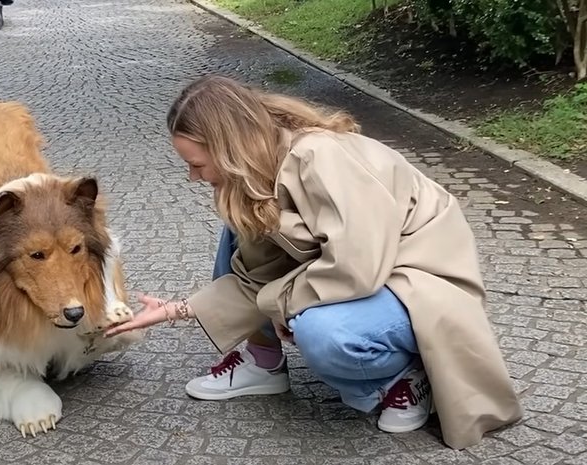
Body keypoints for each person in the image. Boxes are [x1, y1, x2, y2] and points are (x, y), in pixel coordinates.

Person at [105, 75, 522, 449]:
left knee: (323, 332)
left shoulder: (322, 157)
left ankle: (404, 377)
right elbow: (256, 273)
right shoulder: (256, 173)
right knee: (239, 231)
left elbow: (357, 267)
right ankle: (263, 360)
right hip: (368, 271)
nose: (194, 177)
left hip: (419, 277)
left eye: (196, 164)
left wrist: (283, 302)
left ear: (230, 149)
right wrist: (178, 310)